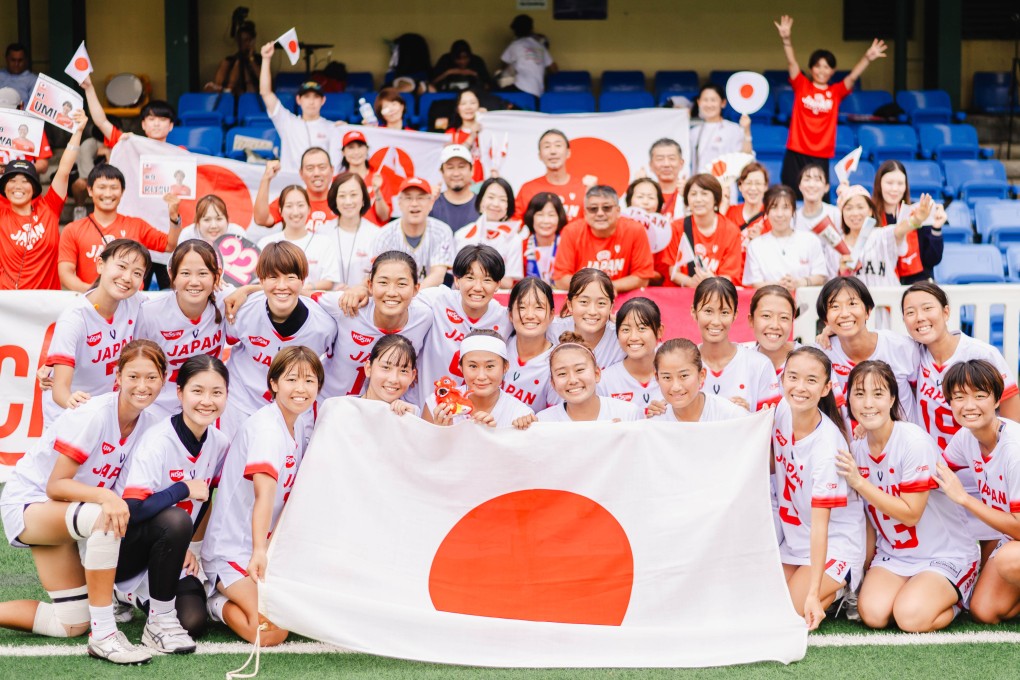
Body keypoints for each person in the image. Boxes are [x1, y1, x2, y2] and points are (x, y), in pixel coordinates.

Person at [0, 340, 166, 664]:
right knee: (105, 516)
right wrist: (106, 496)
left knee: (70, 623)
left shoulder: (149, 425)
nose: (142, 386)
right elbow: (55, 485)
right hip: (30, 503)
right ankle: (104, 635)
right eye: (133, 376)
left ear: (163, 379)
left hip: (68, 511)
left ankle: (95, 624)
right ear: (117, 377)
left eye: (151, 377)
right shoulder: (94, 413)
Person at [835, 360, 979, 633]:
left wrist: (859, 482)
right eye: (859, 393)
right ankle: (918, 593)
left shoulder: (913, 441)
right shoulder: (856, 449)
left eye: (877, 394)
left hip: (944, 553)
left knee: (909, 617)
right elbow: (864, 519)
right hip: (896, 555)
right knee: (874, 615)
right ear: (849, 399)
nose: (868, 403)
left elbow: (911, 514)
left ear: (891, 398)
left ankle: (959, 598)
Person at [202, 347, 323, 646]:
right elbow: (264, 495)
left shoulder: (298, 425)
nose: (301, 388)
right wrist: (259, 551)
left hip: (266, 548)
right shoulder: (267, 429)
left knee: (304, 614)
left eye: (309, 381)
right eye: (292, 379)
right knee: (271, 632)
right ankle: (214, 604)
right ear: (273, 384)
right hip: (232, 552)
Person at [115, 355, 232, 650]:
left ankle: (132, 597)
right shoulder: (159, 441)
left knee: (193, 622)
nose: (207, 401)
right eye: (197, 391)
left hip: (167, 548)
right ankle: (151, 618)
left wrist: (186, 546)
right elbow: (132, 510)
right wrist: (182, 489)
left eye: (217, 392)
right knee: (175, 518)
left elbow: (206, 497)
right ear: (179, 393)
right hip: (126, 550)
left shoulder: (219, 442)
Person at [903, 281, 1020, 559]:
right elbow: (866, 341)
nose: (919, 317)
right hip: (944, 468)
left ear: (946, 312)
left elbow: (1010, 406)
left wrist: (1006, 455)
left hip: (986, 471)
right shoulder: (909, 353)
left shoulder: (980, 353)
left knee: (998, 555)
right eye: (910, 312)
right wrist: (829, 334)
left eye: (927, 308)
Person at [773, 346, 864, 630]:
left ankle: (838, 590)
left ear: (826, 388)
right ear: (782, 379)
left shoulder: (827, 447)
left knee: (787, 613)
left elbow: (821, 527)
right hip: (795, 540)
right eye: (793, 377)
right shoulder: (781, 409)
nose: (800, 387)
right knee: (760, 600)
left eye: (811, 381)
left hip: (835, 543)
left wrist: (813, 593)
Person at [220, 242, 337, 440]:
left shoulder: (323, 326)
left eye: (291, 277)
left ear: (302, 280)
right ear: (262, 280)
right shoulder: (243, 310)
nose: (282, 286)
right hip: (241, 402)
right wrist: (247, 290)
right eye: (273, 277)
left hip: (293, 407)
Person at [937, 360, 1020, 624]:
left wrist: (964, 499)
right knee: (984, 609)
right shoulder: (966, 437)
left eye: (979, 396)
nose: (969, 405)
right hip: (1012, 540)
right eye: (959, 397)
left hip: (1015, 541)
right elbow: (936, 473)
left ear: (996, 400)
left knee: (1008, 559)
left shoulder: (1014, 450)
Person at [43, 239, 151, 426]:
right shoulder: (74, 319)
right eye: (122, 266)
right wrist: (73, 402)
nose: (127, 277)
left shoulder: (137, 303)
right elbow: (59, 390)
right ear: (100, 265)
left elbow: (175, 307)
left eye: (137, 273)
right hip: (69, 415)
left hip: (108, 413)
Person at [775, 14, 887, 192]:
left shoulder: (836, 92)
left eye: (826, 66)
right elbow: (791, 62)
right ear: (811, 68)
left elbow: (852, 77)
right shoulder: (802, 85)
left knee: (818, 196)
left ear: (833, 71)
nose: (821, 70)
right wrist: (786, 39)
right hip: (796, 149)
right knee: (789, 194)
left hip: (820, 154)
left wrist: (867, 58)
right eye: (818, 66)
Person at [315, 251, 432, 401]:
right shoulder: (348, 304)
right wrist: (356, 289)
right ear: (370, 285)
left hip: (381, 414)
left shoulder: (424, 318)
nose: (391, 292)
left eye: (402, 284)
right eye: (383, 282)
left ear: (416, 289)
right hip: (329, 406)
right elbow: (299, 295)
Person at [136, 240, 227, 419]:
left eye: (202, 273)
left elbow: (267, 295)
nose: (194, 282)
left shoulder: (226, 301)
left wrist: (245, 290)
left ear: (216, 276)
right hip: (158, 407)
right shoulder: (150, 312)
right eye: (185, 273)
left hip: (207, 406)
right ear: (172, 275)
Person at [58, 165, 183, 292]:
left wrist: (174, 218)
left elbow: (170, 245)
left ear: (122, 191)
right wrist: (94, 292)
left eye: (114, 188)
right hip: (92, 303)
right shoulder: (73, 229)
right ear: (90, 190)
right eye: (102, 187)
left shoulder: (137, 225)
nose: (108, 193)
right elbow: (65, 272)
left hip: (131, 303)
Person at [0, 109, 86, 290]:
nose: (18, 186)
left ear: (34, 188)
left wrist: (78, 132)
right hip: (8, 305)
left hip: (45, 305)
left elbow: (64, 170)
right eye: (12, 181)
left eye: (25, 181)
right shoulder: (2, 213)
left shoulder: (49, 207)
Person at [815, 276, 919, 425]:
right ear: (826, 319)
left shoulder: (902, 347)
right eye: (834, 306)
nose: (844, 313)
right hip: (850, 447)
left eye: (852, 304)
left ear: (868, 311)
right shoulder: (821, 353)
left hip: (902, 444)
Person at [836, 185, 933, 327]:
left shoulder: (881, 235)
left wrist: (916, 220)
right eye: (849, 208)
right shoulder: (836, 244)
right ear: (842, 212)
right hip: (852, 315)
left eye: (860, 207)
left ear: (870, 211)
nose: (855, 213)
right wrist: (843, 271)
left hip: (886, 310)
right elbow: (831, 284)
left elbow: (900, 229)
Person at [513, 332, 643, 428]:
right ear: (553, 383)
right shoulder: (543, 422)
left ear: (597, 373)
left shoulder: (628, 414)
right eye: (562, 373)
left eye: (580, 370)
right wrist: (522, 429)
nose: (572, 380)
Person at [693, 277, 779, 412]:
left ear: (735, 315)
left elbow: (772, 420)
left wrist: (748, 414)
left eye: (724, 312)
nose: (716, 321)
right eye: (708, 311)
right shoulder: (683, 364)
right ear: (694, 312)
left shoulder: (759, 364)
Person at [552, 185, 655, 293]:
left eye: (606, 208)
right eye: (593, 209)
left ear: (618, 211)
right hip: (583, 299)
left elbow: (642, 278)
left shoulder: (636, 230)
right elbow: (561, 279)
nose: (600, 213)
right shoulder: (571, 231)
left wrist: (609, 287)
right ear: (585, 213)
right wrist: (598, 289)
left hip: (624, 300)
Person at [425, 329, 534, 428]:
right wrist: (441, 431)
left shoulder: (520, 415)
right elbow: (420, 447)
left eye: (490, 366)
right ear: (461, 367)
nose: (481, 376)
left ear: (505, 367)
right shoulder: (437, 403)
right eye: (473, 366)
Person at [259, 42, 340, 174]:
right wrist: (266, 59)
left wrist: (345, 128)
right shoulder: (287, 122)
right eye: (307, 97)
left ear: (323, 100)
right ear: (298, 100)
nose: (311, 102)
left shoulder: (332, 127)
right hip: (292, 187)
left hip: (321, 186)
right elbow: (266, 93)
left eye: (316, 97)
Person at [371, 177, 455, 287]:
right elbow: (378, 275)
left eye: (420, 198)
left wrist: (412, 296)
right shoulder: (385, 234)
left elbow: (438, 275)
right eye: (408, 198)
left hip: (430, 298)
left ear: (431, 203)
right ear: (399, 203)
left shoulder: (442, 231)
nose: (414, 203)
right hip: (394, 296)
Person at [257, 183, 341, 292]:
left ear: (309, 209)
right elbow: (258, 280)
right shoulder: (266, 243)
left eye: (300, 205)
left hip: (313, 305)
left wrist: (302, 289)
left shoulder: (324, 243)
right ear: (280, 211)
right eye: (289, 206)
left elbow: (329, 281)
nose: (295, 212)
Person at [872, 160, 945, 284]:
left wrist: (936, 229)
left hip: (918, 284)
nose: (895, 189)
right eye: (889, 183)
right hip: (883, 284)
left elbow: (932, 259)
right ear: (879, 184)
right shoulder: (870, 215)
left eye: (900, 183)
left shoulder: (918, 211)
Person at [743, 185, 827, 290]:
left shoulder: (810, 240)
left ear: (793, 211)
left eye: (785, 207)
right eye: (774, 207)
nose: (779, 214)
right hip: (770, 302)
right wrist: (779, 285)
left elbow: (821, 277)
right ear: (766, 212)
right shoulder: (756, 245)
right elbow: (755, 283)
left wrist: (799, 283)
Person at [664, 174, 743, 287]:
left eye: (704, 194)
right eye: (693, 194)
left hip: (716, 295)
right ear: (687, 199)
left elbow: (730, 275)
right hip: (684, 295)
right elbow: (673, 272)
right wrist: (690, 282)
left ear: (716, 198)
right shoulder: (676, 228)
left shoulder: (731, 230)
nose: (698, 199)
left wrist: (712, 281)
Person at [651, 338, 749, 422]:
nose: (676, 387)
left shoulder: (731, 415)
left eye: (684, 376)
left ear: (701, 375)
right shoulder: (655, 423)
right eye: (667, 377)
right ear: (657, 378)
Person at [597, 298, 664, 415]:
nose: (633, 337)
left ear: (659, 331)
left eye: (642, 328)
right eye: (625, 329)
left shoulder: (675, 375)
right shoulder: (604, 381)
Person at [548, 268, 625, 370]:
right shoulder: (551, 331)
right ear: (570, 304)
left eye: (601, 303)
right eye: (584, 302)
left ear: (611, 307)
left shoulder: (621, 338)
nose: (592, 312)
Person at [454, 177, 523, 285]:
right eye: (491, 197)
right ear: (480, 201)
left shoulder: (514, 239)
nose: (496, 204)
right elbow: (457, 276)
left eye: (503, 199)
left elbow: (509, 283)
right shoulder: (463, 234)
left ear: (508, 207)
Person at [513, 129, 592, 222]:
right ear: (540, 155)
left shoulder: (584, 188)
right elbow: (513, 224)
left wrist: (593, 193)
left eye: (558, 145)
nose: (553, 151)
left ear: (568, 152)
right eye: (547, 146)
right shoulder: (528, 189)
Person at [502, 276, 556, 411]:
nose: (530, 315)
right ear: (510, 314)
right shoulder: (500, 348)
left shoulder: (556, 362)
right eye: (522, 307)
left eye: (539, 307)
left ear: (551, 315)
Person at [254, 151, 338, 233]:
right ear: (301, 173)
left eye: (322, 167)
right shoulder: (291, 199)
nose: (316, 173)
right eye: (310, 168)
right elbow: (261, 220)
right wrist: (266, 178)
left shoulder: (342, 201)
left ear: (332, 170)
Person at [324, 171, 379, 288]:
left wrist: (357, 290)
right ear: (335, 200)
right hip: (327, 302)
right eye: (342, 196)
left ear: (363, 199)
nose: (348, 201)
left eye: (353, 195)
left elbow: (379, 274)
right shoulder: (323, 232)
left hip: (364, 301)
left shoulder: (376, 234)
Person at [689, 84, 752, 174]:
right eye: (705, 100)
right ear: (699, 102)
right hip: (700, 184)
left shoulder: (733, 129)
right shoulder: (694, 132)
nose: (709, 104)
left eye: (713, 100)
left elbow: (745, 158)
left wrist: (746, 130)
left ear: (723, 103)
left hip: (726, 185)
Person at [622, 178, 673, 281]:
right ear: (629, 200)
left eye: (651, 198)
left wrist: (641, 273)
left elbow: (662, 275)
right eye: (640, 197)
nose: (645, 202)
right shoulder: (619, 226)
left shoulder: (665, 231)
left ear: (659, 203)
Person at [358, 334, 421, 416]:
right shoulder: (344, 407)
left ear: (412, 376)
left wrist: (411, 422)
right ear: (368, 368)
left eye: (403, 371)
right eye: (386, 367)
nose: (394, 379)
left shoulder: (412, 413)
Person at [338, 130, 391, 226]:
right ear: (343, 152)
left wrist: (377, 192)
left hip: (374, 235)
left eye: (360, 146)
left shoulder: (378, 178)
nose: (356, 152)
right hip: (346, 234)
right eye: (351, 148)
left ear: (367, 149)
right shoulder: (337, 180)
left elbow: (384, 217)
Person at [500, 14, 556, 98]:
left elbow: (503, 66)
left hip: (520, 88)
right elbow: (554, 69)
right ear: (531, 29)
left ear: (515, 30)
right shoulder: (540, 45)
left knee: (497, 90)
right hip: (538, 90)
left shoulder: (515, 45)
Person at [747, 285, 797, 374]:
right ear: (751, 320)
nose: (775, 325)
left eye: (784, 317)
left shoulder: (812, 359)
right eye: (766, 316)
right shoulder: (741, 363)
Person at [0, 87, 52, 174]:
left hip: (25, 181)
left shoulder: (33, 128)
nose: (6, 113)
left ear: (21, 106)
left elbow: (43, 165)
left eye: (10, 110)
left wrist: (17, 169)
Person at [429, 144, 480, 232]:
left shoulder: (482, 205)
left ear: (472, 170)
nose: (456, 173)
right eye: (450, 167)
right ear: (442, 172)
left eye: (461, 167)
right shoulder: (432, 204)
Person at [522, 192, 567, 285]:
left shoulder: (567, 245)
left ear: (560, 217)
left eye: (551, 215)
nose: (546, 221)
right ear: (531, 217)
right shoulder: (521, 246)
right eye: (540, 214)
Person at [206, 20, 260, 95]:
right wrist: (238, 60)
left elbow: (263, 79)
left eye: (246, 40)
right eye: (241, 40)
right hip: (234, 98)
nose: (243, 44)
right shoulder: (230, 60)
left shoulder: (259, 59)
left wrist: (251, 58)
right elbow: (219, 82)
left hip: (256, 98)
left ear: (252, 41)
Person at [443, 90, 485, 181]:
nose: (469, 107)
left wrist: (487, 119)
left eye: (473, 103)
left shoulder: (487, 131)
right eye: (463, 103)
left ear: (479, 106)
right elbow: (455, 156)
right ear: (458, 109)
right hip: (461, 185)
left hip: (485, 184)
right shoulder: (451, 134)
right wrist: (473, 135)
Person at [177, 194, 247, 244]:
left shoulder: (237, 234)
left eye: (219, 219)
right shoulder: (188, 236)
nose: (214, 226)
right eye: (207, 220)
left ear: (227, 220)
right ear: (198, 223)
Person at [646, 138, 686, 220]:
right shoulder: (642, 195)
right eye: (660, 159)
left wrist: (688, 194)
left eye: (671, 158)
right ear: (651, 165)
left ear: (681, 163)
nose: (666, 164)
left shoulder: (690, 193)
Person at [724, 162, 769, 234]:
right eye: (748, 183)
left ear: (765, 187)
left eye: (758, 183)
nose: (753, 188)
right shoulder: (729, 212)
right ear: (740, 186)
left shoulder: (771, 216)